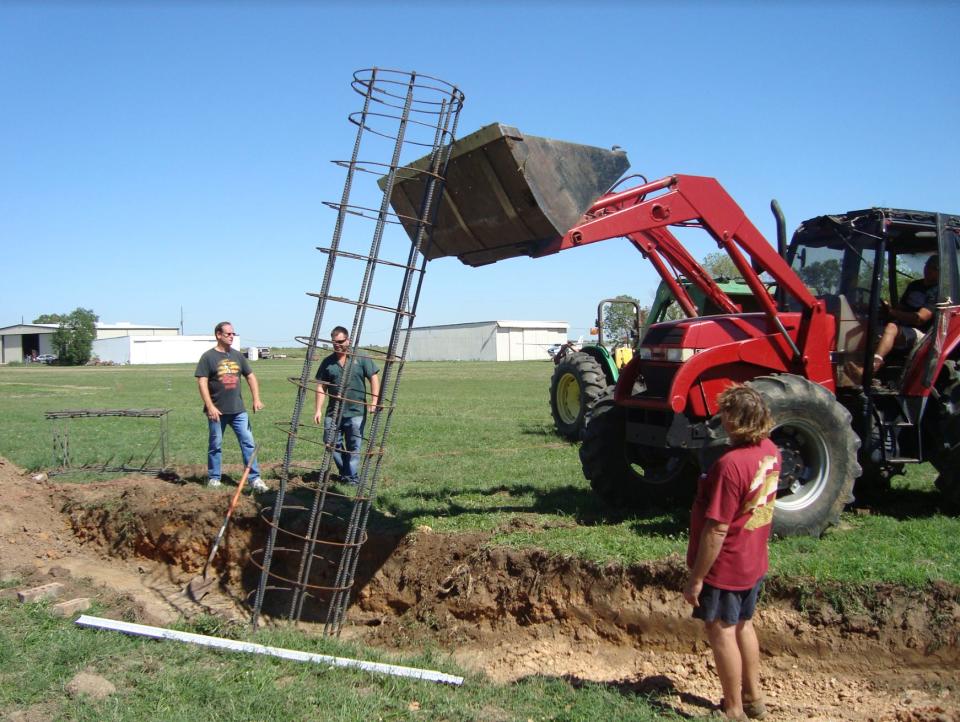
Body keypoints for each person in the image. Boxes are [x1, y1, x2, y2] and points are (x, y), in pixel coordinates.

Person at [683, 384, 780, 721]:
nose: (720, 419)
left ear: (735, 420)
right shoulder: (771, 451)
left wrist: (697, 578)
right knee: (743, 624)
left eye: (724, 413)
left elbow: (717, 528)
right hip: (753, 559)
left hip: (725, 566)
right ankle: (754, 700)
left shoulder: (730, 466)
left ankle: (734, 710)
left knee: (721, 629)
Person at [195, 321, 268, 493]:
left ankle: (254, 478)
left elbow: (251, 377)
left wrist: (256, 399)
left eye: (233, 334)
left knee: (248, 443)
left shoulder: (237, 356)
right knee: (216, 444)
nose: (231, 337)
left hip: (238, 411)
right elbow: (202, 382)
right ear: (218, 335)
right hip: (217, 411)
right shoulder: (208, 357)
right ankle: (214, 478)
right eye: (228, 334)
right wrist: (210, 406)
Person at [313, 326, 380, 486]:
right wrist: (318, 409)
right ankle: (346, 473)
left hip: (356, 411)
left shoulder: (361, 357)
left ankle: (351, 479)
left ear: (348, 340)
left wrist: (374, 401)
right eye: (334, 342)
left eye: (341, 341)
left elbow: (374, 378)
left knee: (354, 445)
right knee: (330, 442)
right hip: (333, 412)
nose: (337, 345)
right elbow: (321, 387)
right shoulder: (328, 362)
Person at [872, 254, 939, 371]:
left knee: (891, 328)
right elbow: (900, 308)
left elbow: (920, 319)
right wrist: (886, 309)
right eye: (927, 265)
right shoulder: (915, 285)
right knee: (871, 326)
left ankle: (873, 366)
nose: (928, 269)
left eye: (932, 268)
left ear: (939, 272)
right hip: (903, 328)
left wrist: (894, 313)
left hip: (922, 334)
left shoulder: (938, 291)